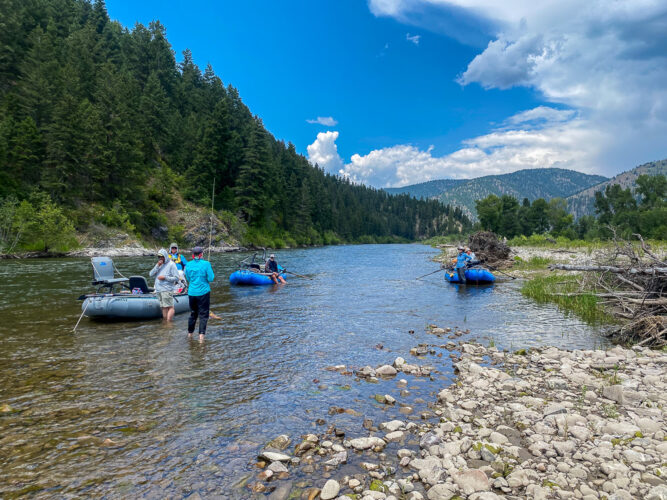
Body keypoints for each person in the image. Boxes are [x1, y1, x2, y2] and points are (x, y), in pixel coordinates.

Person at [185, 246, 215, 342]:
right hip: (203, 292)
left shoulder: (188, 265)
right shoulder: (206, 264)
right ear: (201, 254)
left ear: (193, 255)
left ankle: (190, 334)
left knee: (193, 314)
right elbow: (211, 278)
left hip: (192, 293)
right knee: (203, 315)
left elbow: (188, 278)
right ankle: (201, 337)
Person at [149, 248, 180, 321]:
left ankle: (169, 323)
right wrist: (157, 266)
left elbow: (176, 278)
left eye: (161, 257)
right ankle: (165, 323)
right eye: (159, 257)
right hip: (159, 290)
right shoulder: (159, 265)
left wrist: (165, 278)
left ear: (165, 256)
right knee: (163, 307)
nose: (160, 258)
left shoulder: (171, 264)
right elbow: (150, 274)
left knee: (170, 307)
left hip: (167, 289)